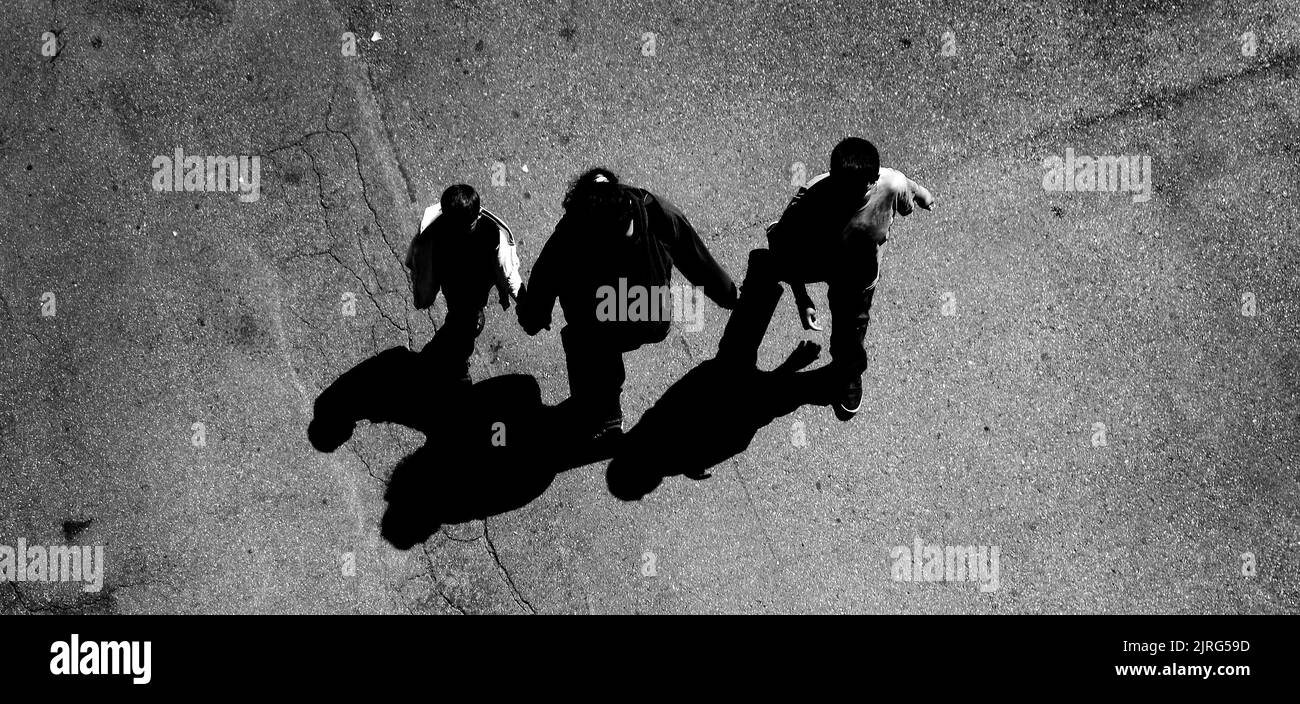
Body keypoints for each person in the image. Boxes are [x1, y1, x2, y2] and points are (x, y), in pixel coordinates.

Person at [516, 167, 740, 441]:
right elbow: (694, 257)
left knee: (586, 341)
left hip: (599, 320)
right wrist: (728, 295)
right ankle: (605, 411)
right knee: (605, 333)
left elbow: (546, 276)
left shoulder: (574, 232)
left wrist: (533, 317)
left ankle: (603, 411)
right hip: (651, 317)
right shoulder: (652, 210)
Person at [760, 137, 935, 421]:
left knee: (850, 334)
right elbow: (786, 247)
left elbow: (908, 186)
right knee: (779, 251)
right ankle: (769, 259)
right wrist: (801, 297)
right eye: (837, 186)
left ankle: (849, 373)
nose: (843, 196)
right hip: (820, 258)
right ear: (831, 175)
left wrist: (922, 195)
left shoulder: (891, 185)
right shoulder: (813, 197)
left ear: (873, 180)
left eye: (853, 190)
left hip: (856, 280)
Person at [405, 184, 523, 383]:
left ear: (478, 215)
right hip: (455, 288)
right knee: (466, 325)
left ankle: (453, 356)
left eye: (462, 227)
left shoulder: (489, 232)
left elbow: (506, 269)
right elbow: (420, 259)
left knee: (465, 322)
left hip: (474, 288)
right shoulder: (438, 230)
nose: (456, 231)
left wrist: (522, 297)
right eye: (453, 224)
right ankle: (456, 363)